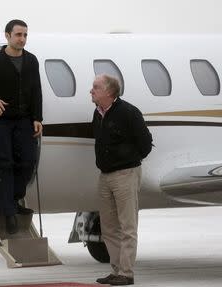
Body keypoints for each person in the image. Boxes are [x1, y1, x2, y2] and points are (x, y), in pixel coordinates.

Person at [0, 19, 43, 234]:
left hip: (24, 120)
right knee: (4, 163)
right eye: (18, 35)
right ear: (7, 36)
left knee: (27, 162)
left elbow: (36, 91)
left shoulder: (31, 61)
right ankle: (9, 213)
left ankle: (14, 201)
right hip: (1, 121)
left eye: (25, 35)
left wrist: (37, 117)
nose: (22, 39)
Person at [90, 74, 152, 286]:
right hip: (105, 176)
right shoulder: (98, 114)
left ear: (109, 92)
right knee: (109, 227)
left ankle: (126, 273)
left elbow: (145, 143)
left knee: (127, 225)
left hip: (125, 175)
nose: (91, 91)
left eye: (96, 87)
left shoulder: (128, 112)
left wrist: (128, 161)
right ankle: (116, 270)